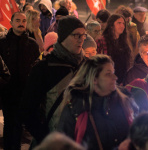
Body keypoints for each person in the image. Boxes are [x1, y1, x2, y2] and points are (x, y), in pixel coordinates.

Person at [20, 16, 86, 146]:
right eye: (76, 35)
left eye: (83, 35)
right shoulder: (44, 68)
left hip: (82, 142)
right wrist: (45, 138)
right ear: (63, 37)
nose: (81, 40)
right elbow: (27, 110)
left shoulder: (88, 66)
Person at [58, 55, 137, 150]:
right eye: (108, 74)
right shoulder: (75, 109)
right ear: (94, 79)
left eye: (113, 72)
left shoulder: (124, 101)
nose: (115, 77)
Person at [0, 11, 40, 150]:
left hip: (24, 91)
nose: (21, 23)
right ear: (11, 23)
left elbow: (36, 68)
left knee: (18, 124)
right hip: (7, 91)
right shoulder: (2, 43)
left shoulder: (32, 44)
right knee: (9, 122)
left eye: (23, 21)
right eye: (18, 20)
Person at [96, 14, 132, 84]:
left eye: (123, 23)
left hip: (122, 81)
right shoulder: (101, 41)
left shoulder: (124, 42)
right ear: (111, 25)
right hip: (106, 81)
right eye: (119, 23)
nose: (122, 26)